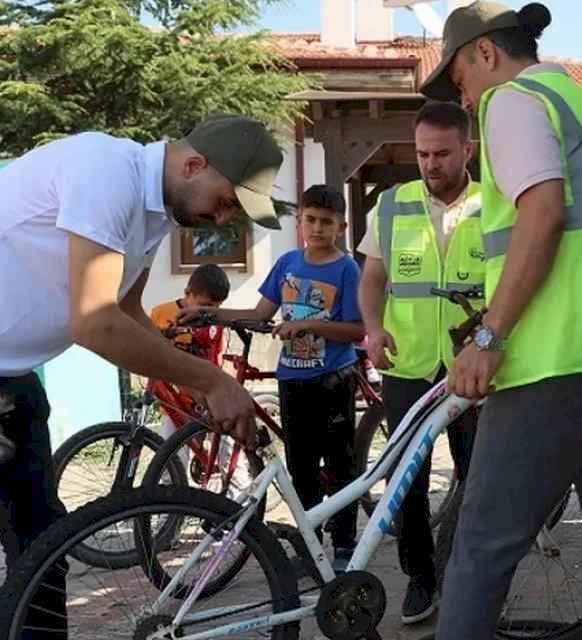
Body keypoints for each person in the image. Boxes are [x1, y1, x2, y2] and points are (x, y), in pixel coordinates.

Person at [423, 3, 582, 638]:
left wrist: (488, 336)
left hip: (557, 365)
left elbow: (542, 216)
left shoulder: (512, 101)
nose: (467, 97)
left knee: (480, 550)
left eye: (460, 81)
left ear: (485, 53)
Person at [0, 114, 282, 636]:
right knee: (35, 554)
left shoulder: (155, 215)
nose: (223, 221)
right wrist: (210, 381)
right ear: (194, 163)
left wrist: (187, 385)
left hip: (13, 383)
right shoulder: (106, 171)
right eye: (225, 202)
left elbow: (127, 311)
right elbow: (95, 322)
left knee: (43, 554)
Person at [182, 185, 364, 568]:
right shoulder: (286, 264)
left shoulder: (347, 269)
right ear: (299, 221)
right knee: (301, 469)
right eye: (310, 220)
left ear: (341, 227)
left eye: (326, 222)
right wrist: (209, 314)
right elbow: (262, 312)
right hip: (293, 381)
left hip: (334, 378)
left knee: (340, 465)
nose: (317, 228)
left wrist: (308, 325)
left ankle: (346, 546)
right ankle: (311, 548)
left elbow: (356, 329)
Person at [356, 100, 484, 625]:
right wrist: (372, 326)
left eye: (441, 153)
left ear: (467, 150)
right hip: (409, 365)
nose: (430, 164)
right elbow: (371, 280)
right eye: (422, 153)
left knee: (481, 476)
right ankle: (420, 577)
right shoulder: (391, 205)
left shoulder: (497, 203)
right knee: (406, 478)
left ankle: (471, 574)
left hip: (476, 364)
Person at [148, 263, 232, 447]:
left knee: (224, 450)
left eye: (217, 307)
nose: (210, 312)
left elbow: (215, 355)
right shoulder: (161, 313)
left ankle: (236, 474)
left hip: (207, 398)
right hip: (174, 401)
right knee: (172, 458)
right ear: (188, 293)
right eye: (205, 306)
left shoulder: (214, 320)